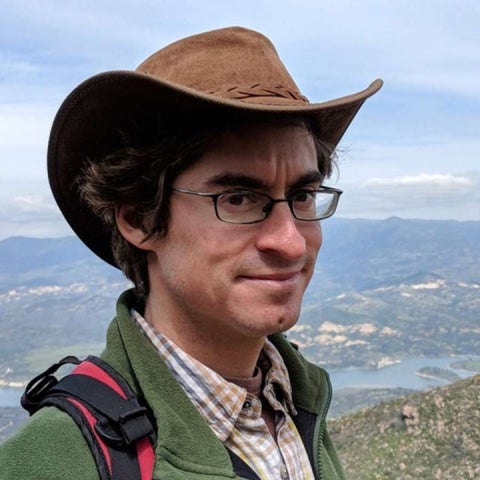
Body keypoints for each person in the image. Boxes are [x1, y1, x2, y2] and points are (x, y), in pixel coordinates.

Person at [0, 26, 382, 479]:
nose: (291, 241)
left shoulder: (298, 398)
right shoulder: (57, 460)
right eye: (239, 198)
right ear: (140, 219)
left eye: (302, 196)